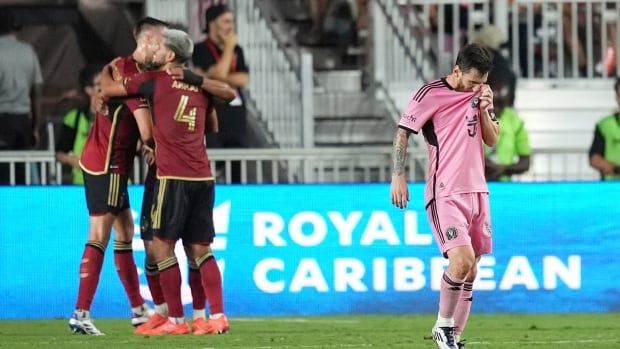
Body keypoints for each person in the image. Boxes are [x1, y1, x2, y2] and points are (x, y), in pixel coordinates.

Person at [101, 28, 235, 335]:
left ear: (170, 55)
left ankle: (175, 320)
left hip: (171, 176)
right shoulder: (201, 86)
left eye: (159, 48)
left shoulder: (153, 81)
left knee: (161, 249)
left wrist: (107, 71)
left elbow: (110, 89)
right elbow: (213, 122)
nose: (155, 51)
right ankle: (217, 316)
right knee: (201, 251)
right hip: (203, 176)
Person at [389, 43, 499, 349]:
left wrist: (485, 108)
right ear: (456, 71)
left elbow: (491, 140)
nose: (477, 87)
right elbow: (402, 133)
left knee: (472, 269)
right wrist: (398, 175)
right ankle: (443, 327)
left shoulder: (482, 94)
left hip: (478, 191)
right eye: (473, 82)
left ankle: (453, 338)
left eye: (482, 82)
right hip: (445, 192)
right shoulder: (429, 94)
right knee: (461, 261)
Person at [68, 17, 171, 336]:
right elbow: (145, 130)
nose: (165, 48)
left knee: (125, 232)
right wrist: (157, 145)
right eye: (164, 41)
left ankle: (138, 310)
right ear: (150, 40)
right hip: (109, 163)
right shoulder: (133, 78)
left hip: (104, 159)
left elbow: (109, 94)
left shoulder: (117, 65)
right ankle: (81, 313)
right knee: (100, 232)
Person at [192, 4, 249, 183]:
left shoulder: (238, 50)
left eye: (232, 21)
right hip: (214, 114)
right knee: (213, 163)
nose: (230, 26)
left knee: (237, 165)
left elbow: (243, 79)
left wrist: (216, 75)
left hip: (236, 116)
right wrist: (229, 48)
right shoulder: (200, 48)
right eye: (226, 21)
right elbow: (220, 74)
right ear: (212, 24)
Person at [0, 9, 43, 184]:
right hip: (23, 123)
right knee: (22, 175)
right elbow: (37, 92)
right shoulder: (28, 51)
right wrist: (35, 126)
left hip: (1, 121)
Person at [55, 64, 102, 185]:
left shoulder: (118, 114)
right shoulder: (73, 118)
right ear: (88, 89)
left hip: (115, 184)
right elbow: (59, 153)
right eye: (99, 84)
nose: (105, 88)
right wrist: (74, 160)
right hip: (82, 184)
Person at [484, 82, 531, 181]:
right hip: (474, 186)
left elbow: (525, 163)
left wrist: (502, 169)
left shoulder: (514, 120)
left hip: (504, 186)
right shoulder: (471, 116)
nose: (497, 94)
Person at [589, 77, 620, 180]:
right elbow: (594, 159)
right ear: (616, 97)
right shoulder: (605, 125)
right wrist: (615, 169)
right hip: (612, 189)